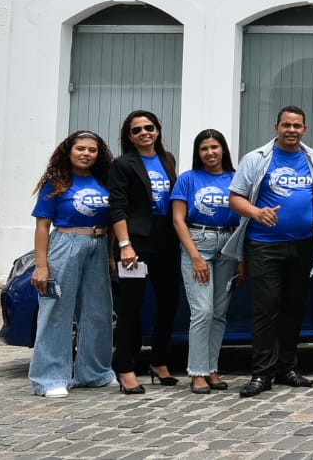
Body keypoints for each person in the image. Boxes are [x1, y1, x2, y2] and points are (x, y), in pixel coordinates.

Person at [225, 105, 313, 398]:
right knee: (265, 309)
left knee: (293, 308)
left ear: (304, 129)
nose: (292, 130)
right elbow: (235, 198)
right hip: (263, 245)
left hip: (301, 245)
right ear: (276, 127)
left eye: (297, 126)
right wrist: (257, 212)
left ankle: (287, 368)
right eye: (286, 125)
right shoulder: (257, 158)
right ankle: (262, 374)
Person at [28, 130, 115, 398]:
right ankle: (49, 377)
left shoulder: (104, 181)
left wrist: (110, 255)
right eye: (81, 148)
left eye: (92, 150)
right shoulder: (56, 183)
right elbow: (42, 226)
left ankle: (94, 373)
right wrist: (41, 265)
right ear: (69, 151)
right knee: (57, 311)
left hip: (98, 245)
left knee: (99, 311)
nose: (86, 154)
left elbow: (112, 222)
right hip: (66, 244)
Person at [109, 109, 181, 394]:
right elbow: (117, 207)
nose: (144, 133)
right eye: (136, 130)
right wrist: (125, 246)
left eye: (148, 128)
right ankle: (125, 366)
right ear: (129, 136)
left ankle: (159, 361)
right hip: (136, 243)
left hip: (166, 240)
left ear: (158, 130)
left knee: (168, 303)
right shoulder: (122, 164)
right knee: (131, 305)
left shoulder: (167, 159)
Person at [170, 129, 240, 394]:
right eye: (204, 149)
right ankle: (197, 372)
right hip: (198, 241)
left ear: (223, 149)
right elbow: (178, 220)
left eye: (214, 147)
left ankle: (211, 368)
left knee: (220, 312)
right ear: (198, 153)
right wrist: (195, 256)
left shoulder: (235, 179)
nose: (210, 153)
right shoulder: (188, 179)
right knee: (202, 311)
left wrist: (241, 257)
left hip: (229, 244)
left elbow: (243, 219)